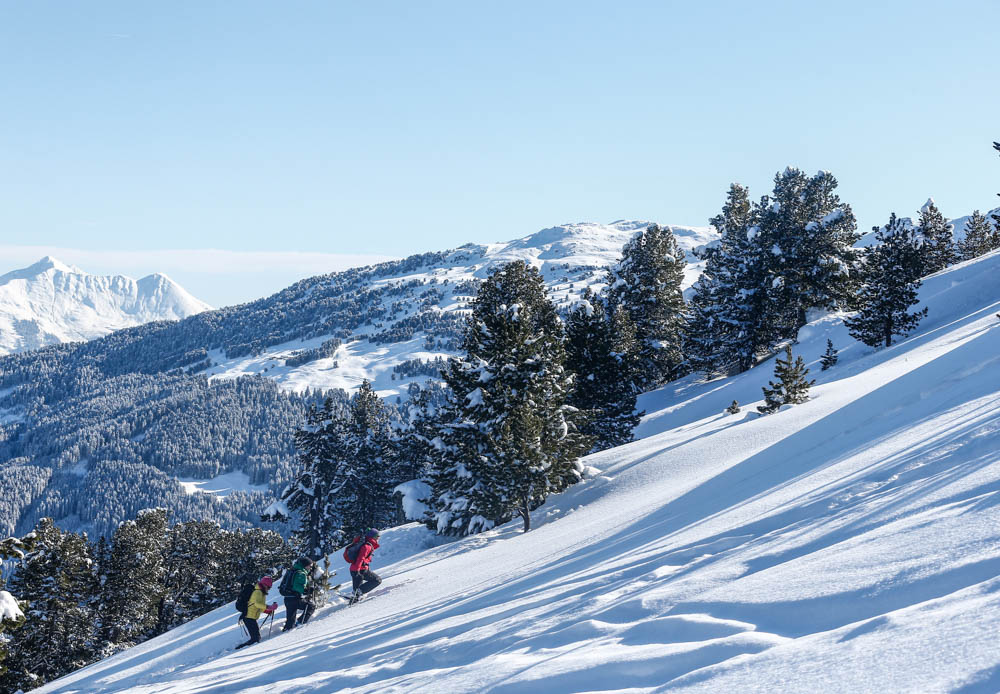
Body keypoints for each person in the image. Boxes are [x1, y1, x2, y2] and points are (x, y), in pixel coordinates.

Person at [236, 575, 277, 650]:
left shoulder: (261, 593)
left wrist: (267, 611)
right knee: (255, 639)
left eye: (270, 588)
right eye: (268, 587)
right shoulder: (258, 592)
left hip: (251, 617)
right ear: (264, 585)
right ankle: (239, 649)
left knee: (256, 638)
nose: (269, 589)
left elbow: (258, 607)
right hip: (248, 617)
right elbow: (257, 604)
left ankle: (241, 648)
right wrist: (269, 607)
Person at [280, 557, 315, 631]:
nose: (310, 567)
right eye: (309, 565)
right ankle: (300, 623)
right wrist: (307, 590)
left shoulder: (292, 571)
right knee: (311, 606)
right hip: (295, 598)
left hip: (287, 597)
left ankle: (287, 630)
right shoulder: (301, 573)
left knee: (290, 619)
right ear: (305, 565)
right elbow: (298, 587)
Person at [349, 528, 382, 604]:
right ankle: (357, 593)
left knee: (356, 592)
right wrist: (357, 571)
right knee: (377, 580)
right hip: (360, 570)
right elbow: (360, 558)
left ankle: (353, 601)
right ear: (372, 537)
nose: (378, 538)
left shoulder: (366, 544)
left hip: (354, 569)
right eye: (377, 536)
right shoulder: (367, 546)